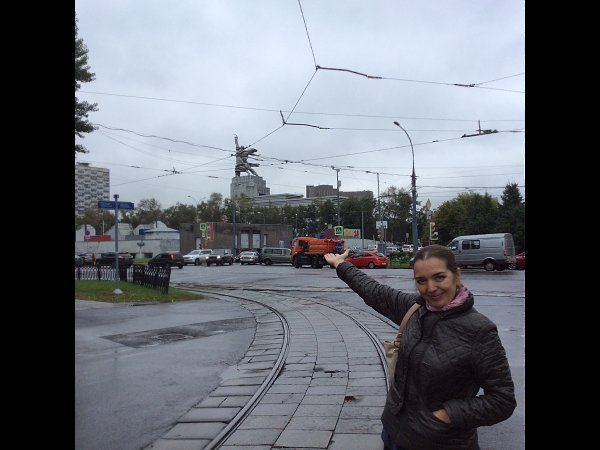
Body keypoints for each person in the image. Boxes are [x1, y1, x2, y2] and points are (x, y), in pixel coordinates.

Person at [324, 244, 516, 450]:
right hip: (394, 433)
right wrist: (341, 265)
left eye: (439, 277)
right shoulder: (416, 309)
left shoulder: (480, 331)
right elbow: (374, 291)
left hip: (440, 442)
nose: (431, 288)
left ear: (456, 275)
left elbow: (502, 400)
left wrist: (448, 415)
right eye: (421, 281)